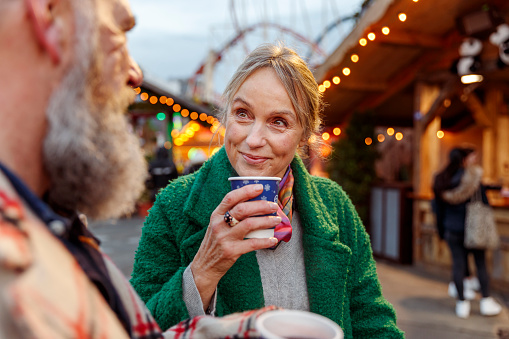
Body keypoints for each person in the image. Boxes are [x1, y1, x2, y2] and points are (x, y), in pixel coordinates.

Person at [0, 0, 284, 337]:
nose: (134, 73)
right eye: (120, 31)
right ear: (48, 13)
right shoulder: (14, 268)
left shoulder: (50, 221)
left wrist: (238, 330)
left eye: (279, 122)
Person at [130, 43, 404, 338]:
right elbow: (135, 327)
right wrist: (204, 270)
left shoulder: (335, 205)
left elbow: (372, 320)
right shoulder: (174, 205)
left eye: (278, 122)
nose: (253, 139)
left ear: (304, 135)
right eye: (243, 113)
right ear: (226, 115)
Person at [433, 147, 502, 319]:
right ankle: (486, 302)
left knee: (458, 265)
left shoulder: (441, 179)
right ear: (464, 160)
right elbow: (484, 203)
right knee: (480, 264)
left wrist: (441, 231)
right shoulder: (473, 178)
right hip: (474, 230)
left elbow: (437, 209)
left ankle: (462, 304)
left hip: (451, 228)